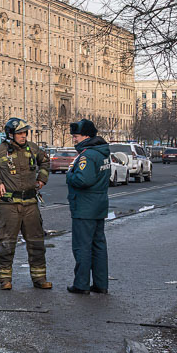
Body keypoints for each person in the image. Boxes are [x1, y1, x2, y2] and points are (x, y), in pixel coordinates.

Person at [0, 117, 52, 290]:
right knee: (7, 243)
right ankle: (5, 280)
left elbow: (45, 162)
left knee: (36, 243)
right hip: (9, 206)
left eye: (25, 133)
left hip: (31, 204)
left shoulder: (33, 149)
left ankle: (39, 279)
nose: (23, 136)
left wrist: (42, 179)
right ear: (10, 134)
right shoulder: (0, 151)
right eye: (19, 133)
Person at [65, 119, 111, 295]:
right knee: (98, 245)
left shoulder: (87, 155)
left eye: (76, 136)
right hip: (99, 205)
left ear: (86, 136)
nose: (74, 139)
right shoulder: (102, 152)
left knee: (82, 246)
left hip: (84, 207)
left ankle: (81, 284)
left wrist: (69, 176)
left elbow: (83, 180)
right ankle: (101, 284)